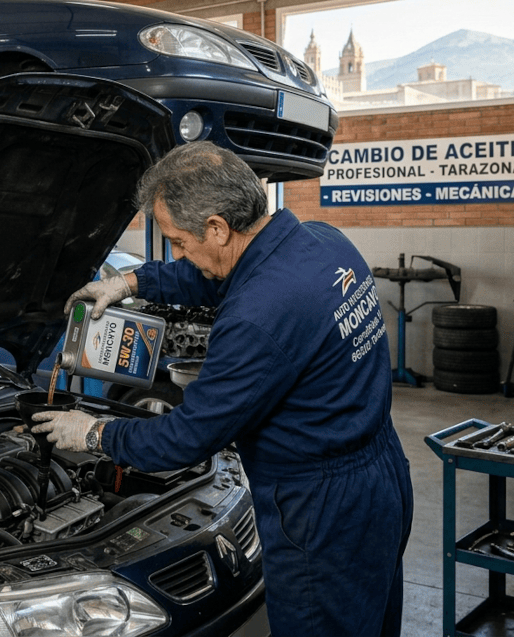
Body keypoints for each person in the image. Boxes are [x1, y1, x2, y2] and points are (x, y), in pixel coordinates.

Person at [31, 141, 414, 636]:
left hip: (323, 510)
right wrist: (128, 283)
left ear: (216, 227)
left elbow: (186, 438)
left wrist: (93, 433)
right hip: (381, 476)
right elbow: (217, 276)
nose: (178, 253)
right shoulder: (322, 241)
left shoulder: (256, 318)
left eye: (178, 241)